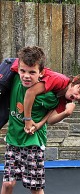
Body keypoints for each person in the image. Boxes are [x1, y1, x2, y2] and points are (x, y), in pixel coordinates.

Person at [1, 46, 60, 194]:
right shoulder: (14, 80)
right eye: (23, 71)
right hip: (13, 140)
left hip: (33, 142)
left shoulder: (46, 94)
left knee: (35, 188)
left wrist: (40, 123)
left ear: (41, 73)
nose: (26, 76)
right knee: (8, 183)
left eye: (32, 72)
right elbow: (9, 64)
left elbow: (56, 107)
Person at [11, 57, 80, 134]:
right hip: (11, 69)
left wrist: (65, 113)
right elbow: (30, 92)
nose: (78, 97)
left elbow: (50, 119)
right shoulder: (59, 80)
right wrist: (27, 119)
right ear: (76, 80)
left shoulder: (66, 100)